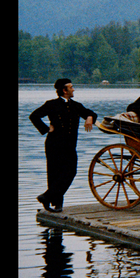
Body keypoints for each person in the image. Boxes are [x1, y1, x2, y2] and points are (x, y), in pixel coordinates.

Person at [30, 78, 97, 213]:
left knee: (71, 172)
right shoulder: (51, 104)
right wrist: (46, 129)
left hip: (70, 145)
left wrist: (90, 117)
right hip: (54, 144)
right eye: (71, 87)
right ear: (64, 90)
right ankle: (57, 204)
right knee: (55, 173)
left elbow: (90, 113)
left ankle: (46, 196)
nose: (73, 89)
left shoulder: (76, 106)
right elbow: (34, 116)